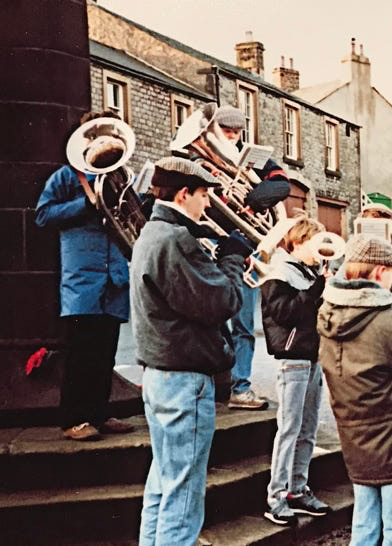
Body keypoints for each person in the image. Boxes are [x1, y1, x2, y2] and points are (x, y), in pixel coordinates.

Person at [131, 157, 249, 545]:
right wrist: (232, 258)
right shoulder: (175, 239)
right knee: (183, 495)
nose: (207, 204)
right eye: (203, 195)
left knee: (163, 485)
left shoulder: (153, 232)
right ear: (184, 194)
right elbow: (223, 301)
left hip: (160, 375)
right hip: (184, 380)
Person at [317, 235, 392, 546]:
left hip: (356, 436)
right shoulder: (385, 321)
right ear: (381, 271)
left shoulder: (329, 312)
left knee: (365, 527)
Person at [35, 110, 135, 441]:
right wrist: (85, 205)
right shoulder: (67, 176)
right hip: (83, 277)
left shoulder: (119, 175)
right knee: (81, 352)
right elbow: (43, 214)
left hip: (113, 276)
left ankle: (99, 413)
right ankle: (73, 419)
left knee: (106, 352)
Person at [209, 105, 291, 410]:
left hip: (244, 250)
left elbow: (281, 183)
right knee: (214, 322)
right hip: (212, 247)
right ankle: (220, 384)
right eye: (226, 131)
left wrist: (254, 201)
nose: (231, 136)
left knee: (243, 325)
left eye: (236, 132)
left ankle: (241, 386)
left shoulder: (253, 157)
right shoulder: (202, 157)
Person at [260, 216, 332, 525]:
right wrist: (317, 288)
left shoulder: (310, 271)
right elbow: (284, 313)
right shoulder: (280, 271)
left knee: (308, 428)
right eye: (316, 243)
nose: (321, 250)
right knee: (289, 428)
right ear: (299, 243)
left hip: (312, 356)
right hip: (292, 357)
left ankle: (298, 489)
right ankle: (276, 497)